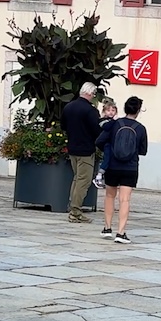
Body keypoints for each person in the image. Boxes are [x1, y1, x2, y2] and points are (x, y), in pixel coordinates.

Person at [94, 97, 148, 244]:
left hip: (112, 165)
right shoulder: (141, 128)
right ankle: (121, 232)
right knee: (124, 200)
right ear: (138, 111)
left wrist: (110, 151)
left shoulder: (115, 124)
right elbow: (143, 151)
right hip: (130, 167)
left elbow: (99, 141)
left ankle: (107, 228)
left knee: (110, 196)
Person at [60, 83, 103, 223]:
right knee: (83, 181)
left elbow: (63, 126)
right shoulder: (90, 111)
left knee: (77, 178)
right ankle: (75, 211)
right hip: (86, 150)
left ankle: (73, 208)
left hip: (72, 148)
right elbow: (97, 131)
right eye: (94, 94)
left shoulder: (68, 107)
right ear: (90, 93)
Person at [93, 98, 118, 190]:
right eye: (108, 110)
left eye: (113, 110)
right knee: (106, 159)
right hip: (105, 143)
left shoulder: (114, 122)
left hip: (112, 144)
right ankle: (99, 176)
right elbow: (106, 127)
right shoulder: (102, 120)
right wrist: (114, 122)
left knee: (110, 160)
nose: (111, 112)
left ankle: (104, 176)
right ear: (104, 111)